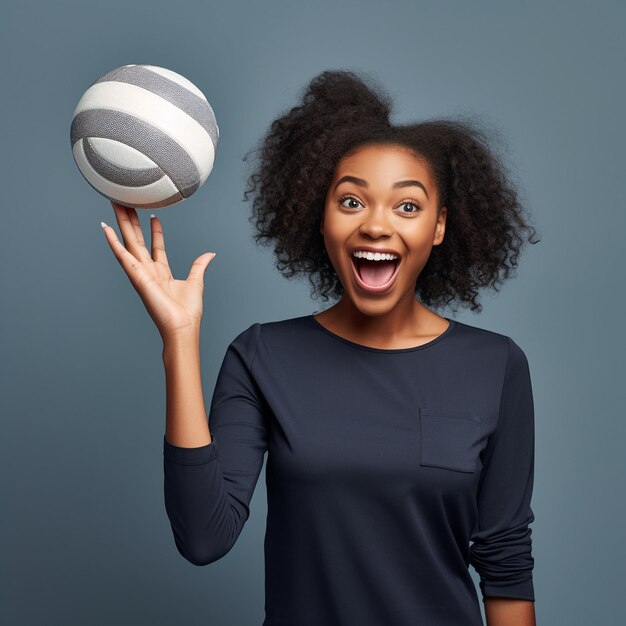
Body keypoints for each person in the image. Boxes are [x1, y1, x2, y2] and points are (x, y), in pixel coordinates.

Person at [101, 69, 541, 626]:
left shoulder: (495, 366)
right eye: (351, 201)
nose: (376, 225)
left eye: (407, 206)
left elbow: (504, 563)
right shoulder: (263, 357)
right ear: (321, 217)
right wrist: (180, 340)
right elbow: (203, 537)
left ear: (439, 226)